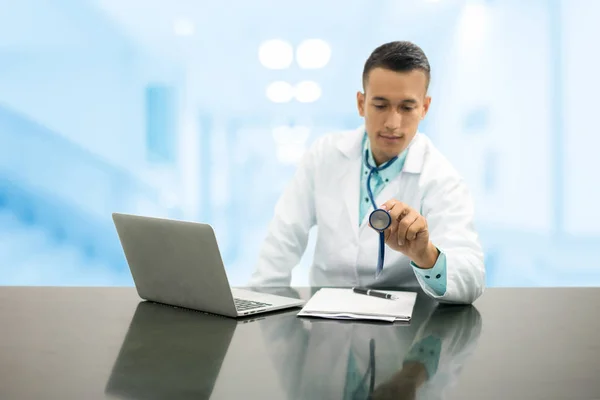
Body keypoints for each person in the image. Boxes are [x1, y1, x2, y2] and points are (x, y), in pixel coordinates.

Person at [249, 40, 485, 304]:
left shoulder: (442, 178)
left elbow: (471, 278)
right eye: (380, 105)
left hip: (403, 332)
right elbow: (284, 236)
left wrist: (425, 254)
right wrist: (259, 306)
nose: (392, 123)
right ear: (361, 103)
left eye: (407, 107)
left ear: (424, 108)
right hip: (326, 323)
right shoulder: (324, 155)